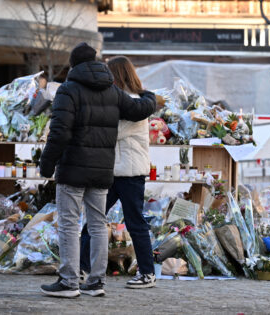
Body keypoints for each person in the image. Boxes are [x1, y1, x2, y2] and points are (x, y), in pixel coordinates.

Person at [39, 43, 156, 298]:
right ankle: (96, 282)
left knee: (70, 223)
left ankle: (69, 282)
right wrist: (151, 97)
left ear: (74, 65)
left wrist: (47, 163)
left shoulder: (68, 91)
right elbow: (138, 110)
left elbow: (59, 132)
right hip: (104, 170)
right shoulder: (112, 92)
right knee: (98, 225)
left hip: (73, 168)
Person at [80, 56, 156, 289]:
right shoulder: (122, 100)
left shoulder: (134, 103)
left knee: (134, 223)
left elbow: (112, 132)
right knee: (95, 221)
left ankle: (147, 273)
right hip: (113, 172)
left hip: (130, 173)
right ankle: (82, 269)